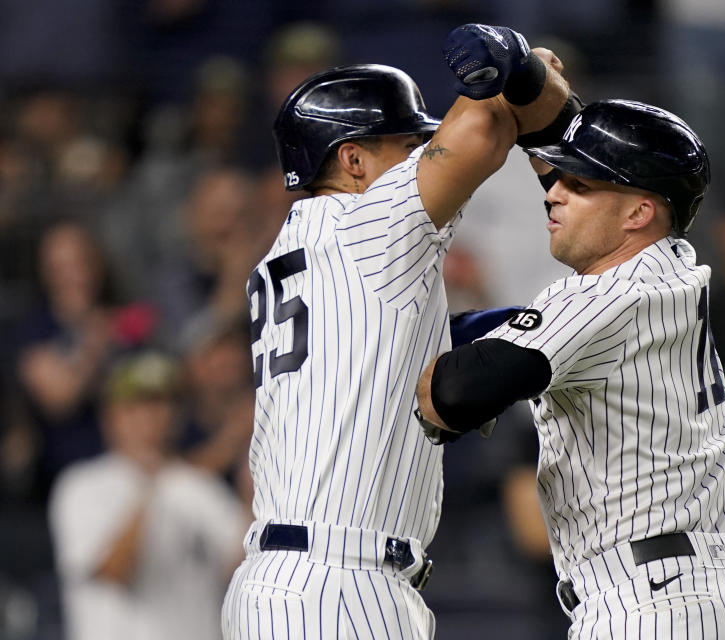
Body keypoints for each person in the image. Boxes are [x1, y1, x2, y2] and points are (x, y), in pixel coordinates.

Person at [220, 23, 580, 640]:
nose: (419, 155)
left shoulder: (299, 251)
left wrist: (524, 76)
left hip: (306, 583)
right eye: (404, 143)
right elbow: (489, 129)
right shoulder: (364, 226)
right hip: (337, 584)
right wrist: (518, 67)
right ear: (352, 160)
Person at [415, 99, 725, 637]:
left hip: (654, 604)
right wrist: (531, 87)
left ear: (639, 214)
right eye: (559, 177)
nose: (552, 192)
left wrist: (478, 336)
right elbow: (584, 147)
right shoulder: (671, 270)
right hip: (713, 593)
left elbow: (451, 395)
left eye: (580, 186)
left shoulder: (607, 294)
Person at [48, 351, 246, 640]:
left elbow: (241, 565)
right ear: (111, 416)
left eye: (163, 405)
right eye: (138, 405)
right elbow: (114, 573)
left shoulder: (198, 484)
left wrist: (250, 491)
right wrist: (151, 487)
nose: (153, 417)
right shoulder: (82, 485)